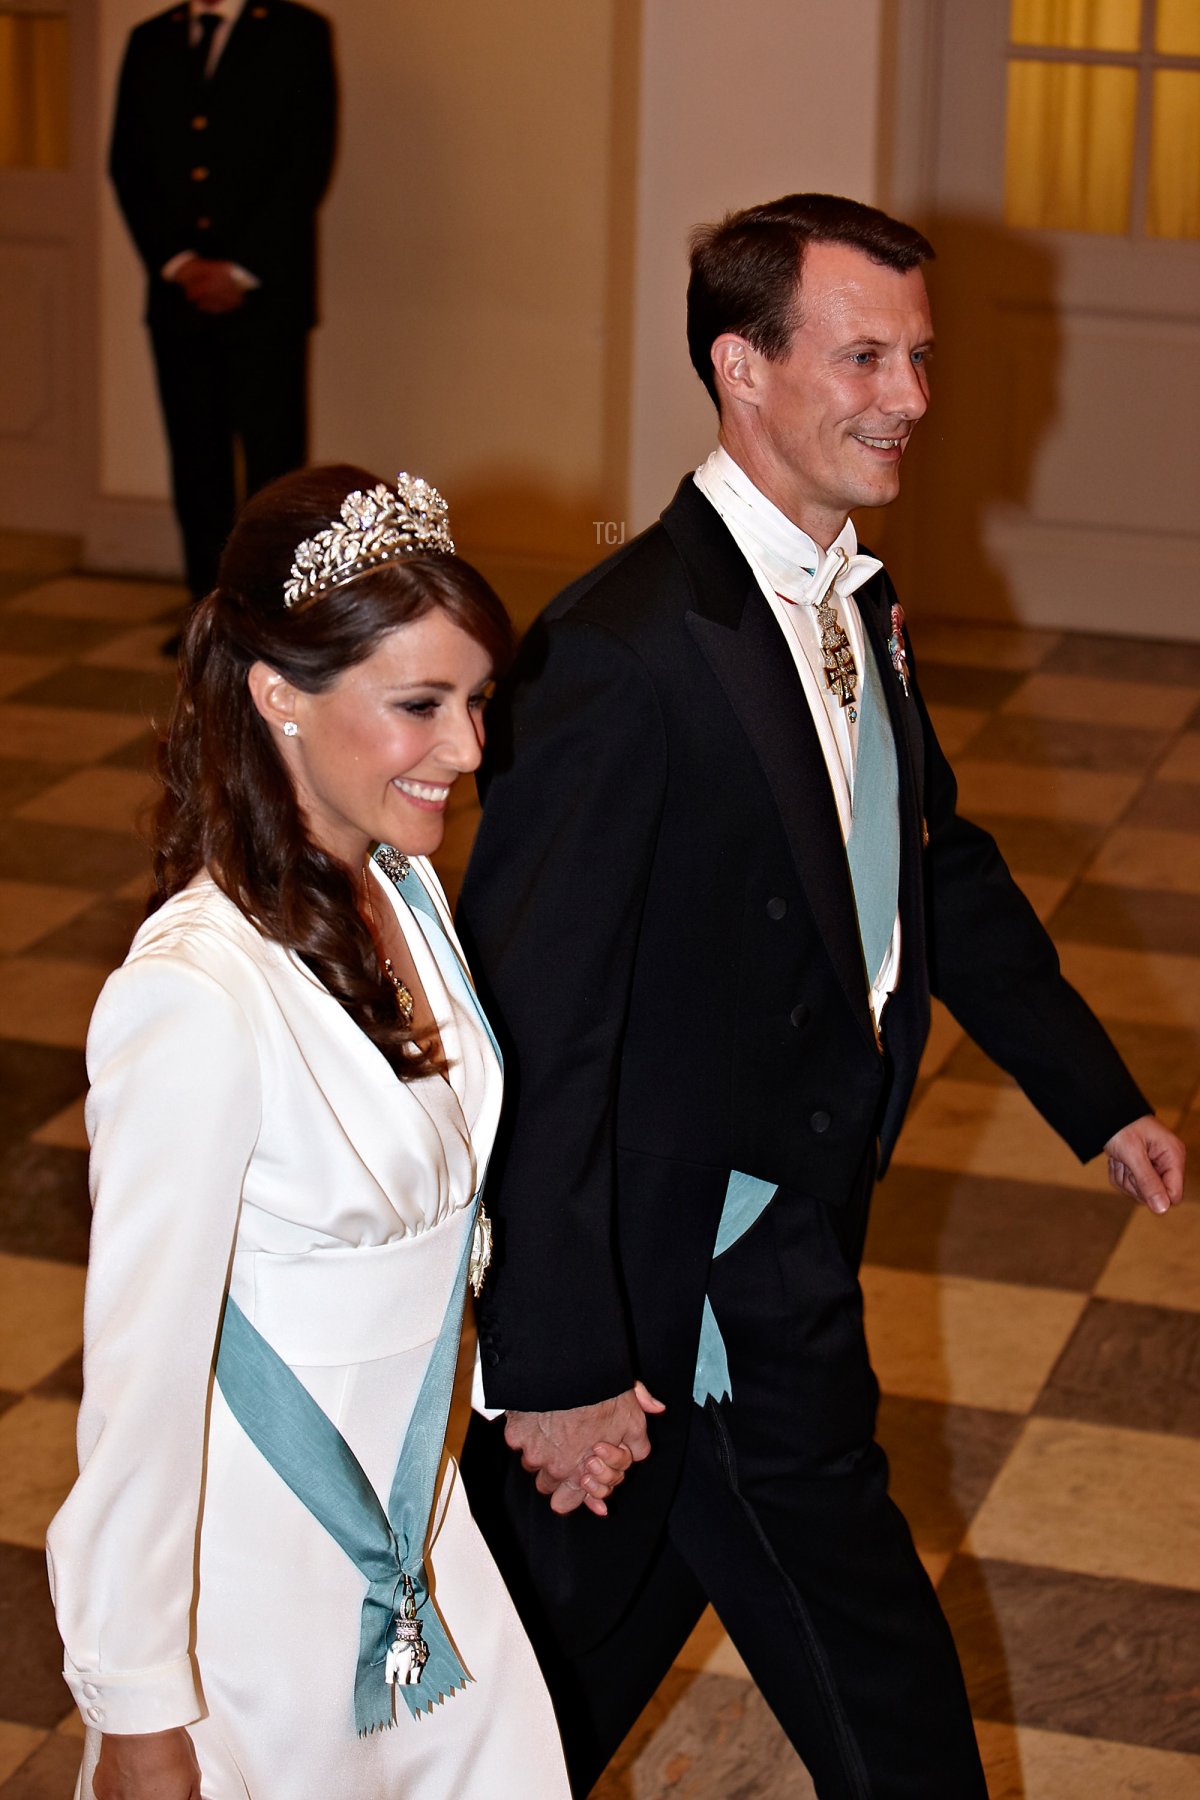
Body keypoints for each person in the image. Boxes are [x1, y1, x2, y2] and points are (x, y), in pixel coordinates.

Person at [456, 194, 1188, 1799]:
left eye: (918, 357)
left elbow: (933, 865)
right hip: (695, 1283)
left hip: (777, 1221)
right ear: (744, 367)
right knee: (875, 1678)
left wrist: (1098, 1092)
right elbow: (538, 1030)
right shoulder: (622, 652)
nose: (914, 396)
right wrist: (560, 1362)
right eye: (866, 355)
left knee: (539, 1684)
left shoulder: (852, 599)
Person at [45, 466, 580, 1799]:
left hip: (422, 1553)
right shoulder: (195, 998)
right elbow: (139, 1386)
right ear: (279, 692)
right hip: (256, 1612)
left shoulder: (408, 893)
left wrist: (542, 1379)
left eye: (475, 703)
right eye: (421, 707)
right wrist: (138, 1710)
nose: (467, 749)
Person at [109, 0, 336, 623]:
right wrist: (181, 263)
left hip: (267, 295)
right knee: (196, 460)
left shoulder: (297, 34)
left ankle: (277, 615)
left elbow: (305, 159)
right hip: (177, 298)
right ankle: (207, 615)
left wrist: (237, 269)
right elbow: (128, 165)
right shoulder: (151, 39)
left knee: (274, 464)